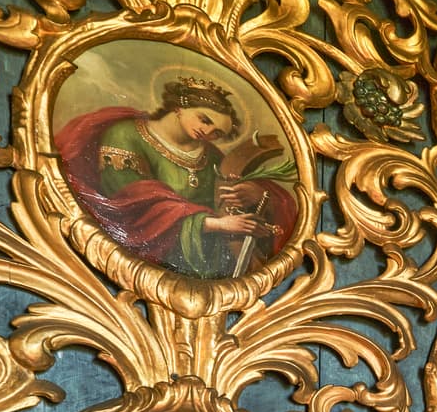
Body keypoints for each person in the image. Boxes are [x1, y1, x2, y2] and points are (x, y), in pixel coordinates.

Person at [56, 72, 299, 279]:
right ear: (179, 107)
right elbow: (127, 205)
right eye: (204, 119)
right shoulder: (125, 135)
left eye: (217, 132)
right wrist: (216, 224)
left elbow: (221, 203)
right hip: (135, 260)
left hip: (200, 264)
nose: (207, 131)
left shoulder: (212, 157)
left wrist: (248, 196)